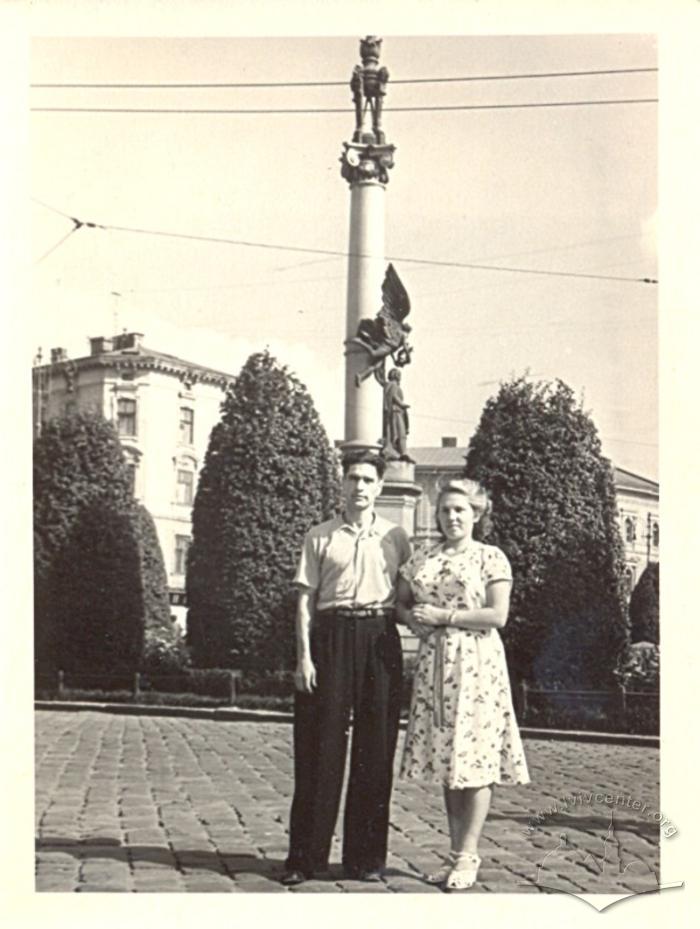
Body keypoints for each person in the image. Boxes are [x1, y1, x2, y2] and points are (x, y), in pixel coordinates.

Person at [281, 450, 412, 885]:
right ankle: (306, 858)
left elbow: (409, 599)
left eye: (367, 480)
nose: (359, 487)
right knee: (320, 749)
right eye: (352, 478)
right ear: (342, 484)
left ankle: (365, 860)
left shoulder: (396, 538)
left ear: (378, 488)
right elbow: (304, 601)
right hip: (331, 638)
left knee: (376, 752)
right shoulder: (319, 536)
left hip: (379, 640)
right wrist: (304, 657)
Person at [396, 479, 530, 890]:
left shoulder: (490, 558)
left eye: (460, 510)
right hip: (435, 665)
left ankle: (469, 853)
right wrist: (412, 618)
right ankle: (456, 854)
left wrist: (444, 617)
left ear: (476, 514)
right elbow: (399, 603)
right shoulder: (423, 555)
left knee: (474, 757)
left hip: (476, 666)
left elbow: (497, 615)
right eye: (445, 510)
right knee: (448, 760)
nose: (451, 517)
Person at [382, 368, 413, 462]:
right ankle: (402, 452)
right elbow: (394, 397)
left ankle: (398, 451)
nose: (400, 377)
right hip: (397, 412)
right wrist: (402, 404)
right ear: (396, 376)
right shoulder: (394, 385)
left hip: (394, 412)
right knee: (400, 433)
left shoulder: (387, 385)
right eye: (399, 375)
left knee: (395, 433)